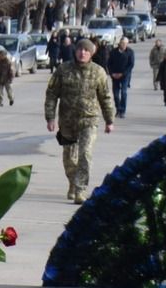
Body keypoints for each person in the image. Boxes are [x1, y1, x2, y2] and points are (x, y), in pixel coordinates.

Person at [43, 36, 114, 203]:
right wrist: (50, 117)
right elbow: (52, 94)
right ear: (75, 51)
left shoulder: (98, 72)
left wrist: (109, 120)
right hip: (67, 122)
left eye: (86, 50)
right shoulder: (63, 69)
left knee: (85, 154)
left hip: (89, 120)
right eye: (80, 49)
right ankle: (73, 183)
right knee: (69, 159)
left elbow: (105, 97)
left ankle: (81, 189)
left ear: (91, 53)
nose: (82, 53)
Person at [105, 40, 134, 118]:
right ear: (119, 44)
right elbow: (109, 63)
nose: (124, 45)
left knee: (124, 92)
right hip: (115, 75)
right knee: (116, 94)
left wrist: (123, 74)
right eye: (122, 43)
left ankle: (123, 111)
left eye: (125, 43)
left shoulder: (130, 52)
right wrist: (112, 73)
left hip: (125, 76)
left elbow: (131, 65)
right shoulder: (113, 52)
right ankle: (118, 109)